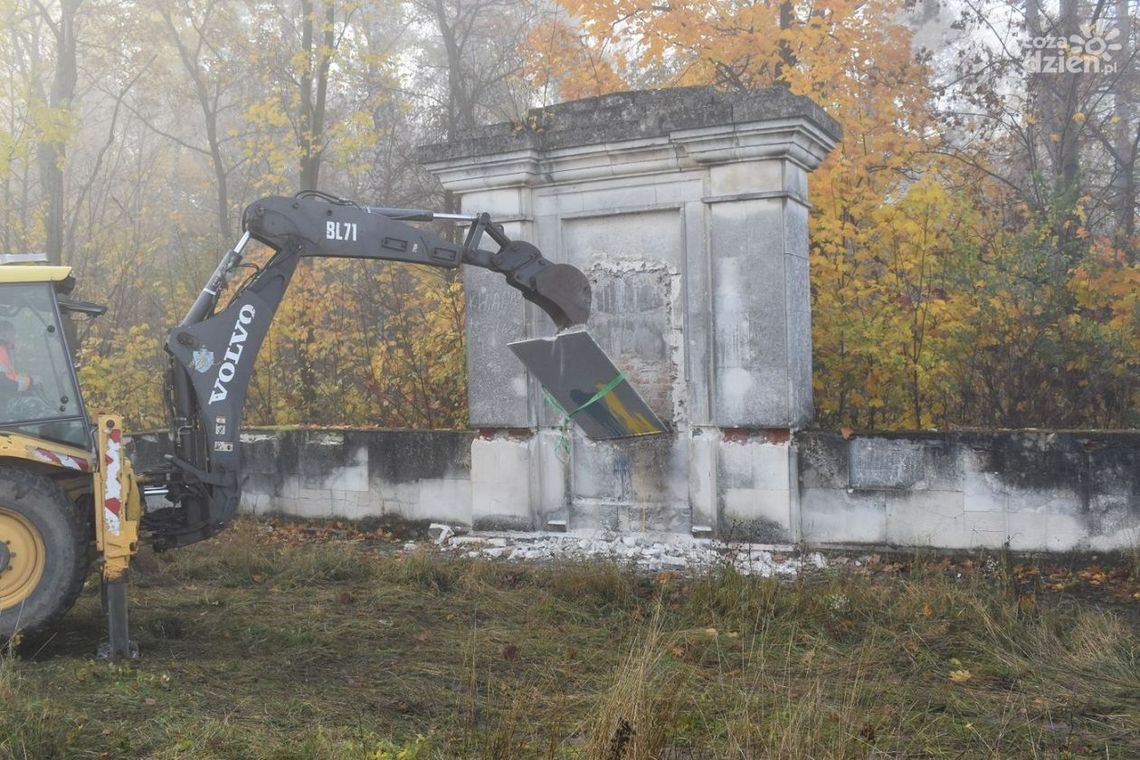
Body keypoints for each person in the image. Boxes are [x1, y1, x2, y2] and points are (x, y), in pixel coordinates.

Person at [0, 320, 33, 394]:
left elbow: (11, 377)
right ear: (6, 335)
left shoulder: (4, 353)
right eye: (13, 335)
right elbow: (4, 384)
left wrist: (28, 379)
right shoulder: (1, 352)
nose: (15, 339)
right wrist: (30, 381)